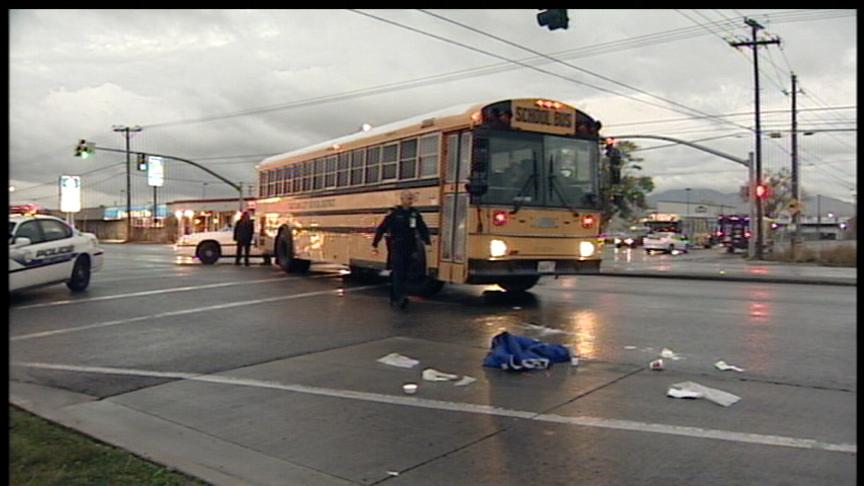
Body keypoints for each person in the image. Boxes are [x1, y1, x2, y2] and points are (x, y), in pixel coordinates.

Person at [372, 191, 431, 309]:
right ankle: (400, 297)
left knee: (404, 273)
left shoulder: (414, 214)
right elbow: (382, 228)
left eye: (411, 198)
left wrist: (427, 241)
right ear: (402, 199)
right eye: (408, 198)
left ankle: (394, 295)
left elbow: (422, 228)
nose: (410, 201)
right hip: (397, 245)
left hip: (410, 246)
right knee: (399, 272)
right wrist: (375, 243)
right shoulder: (394, 213)